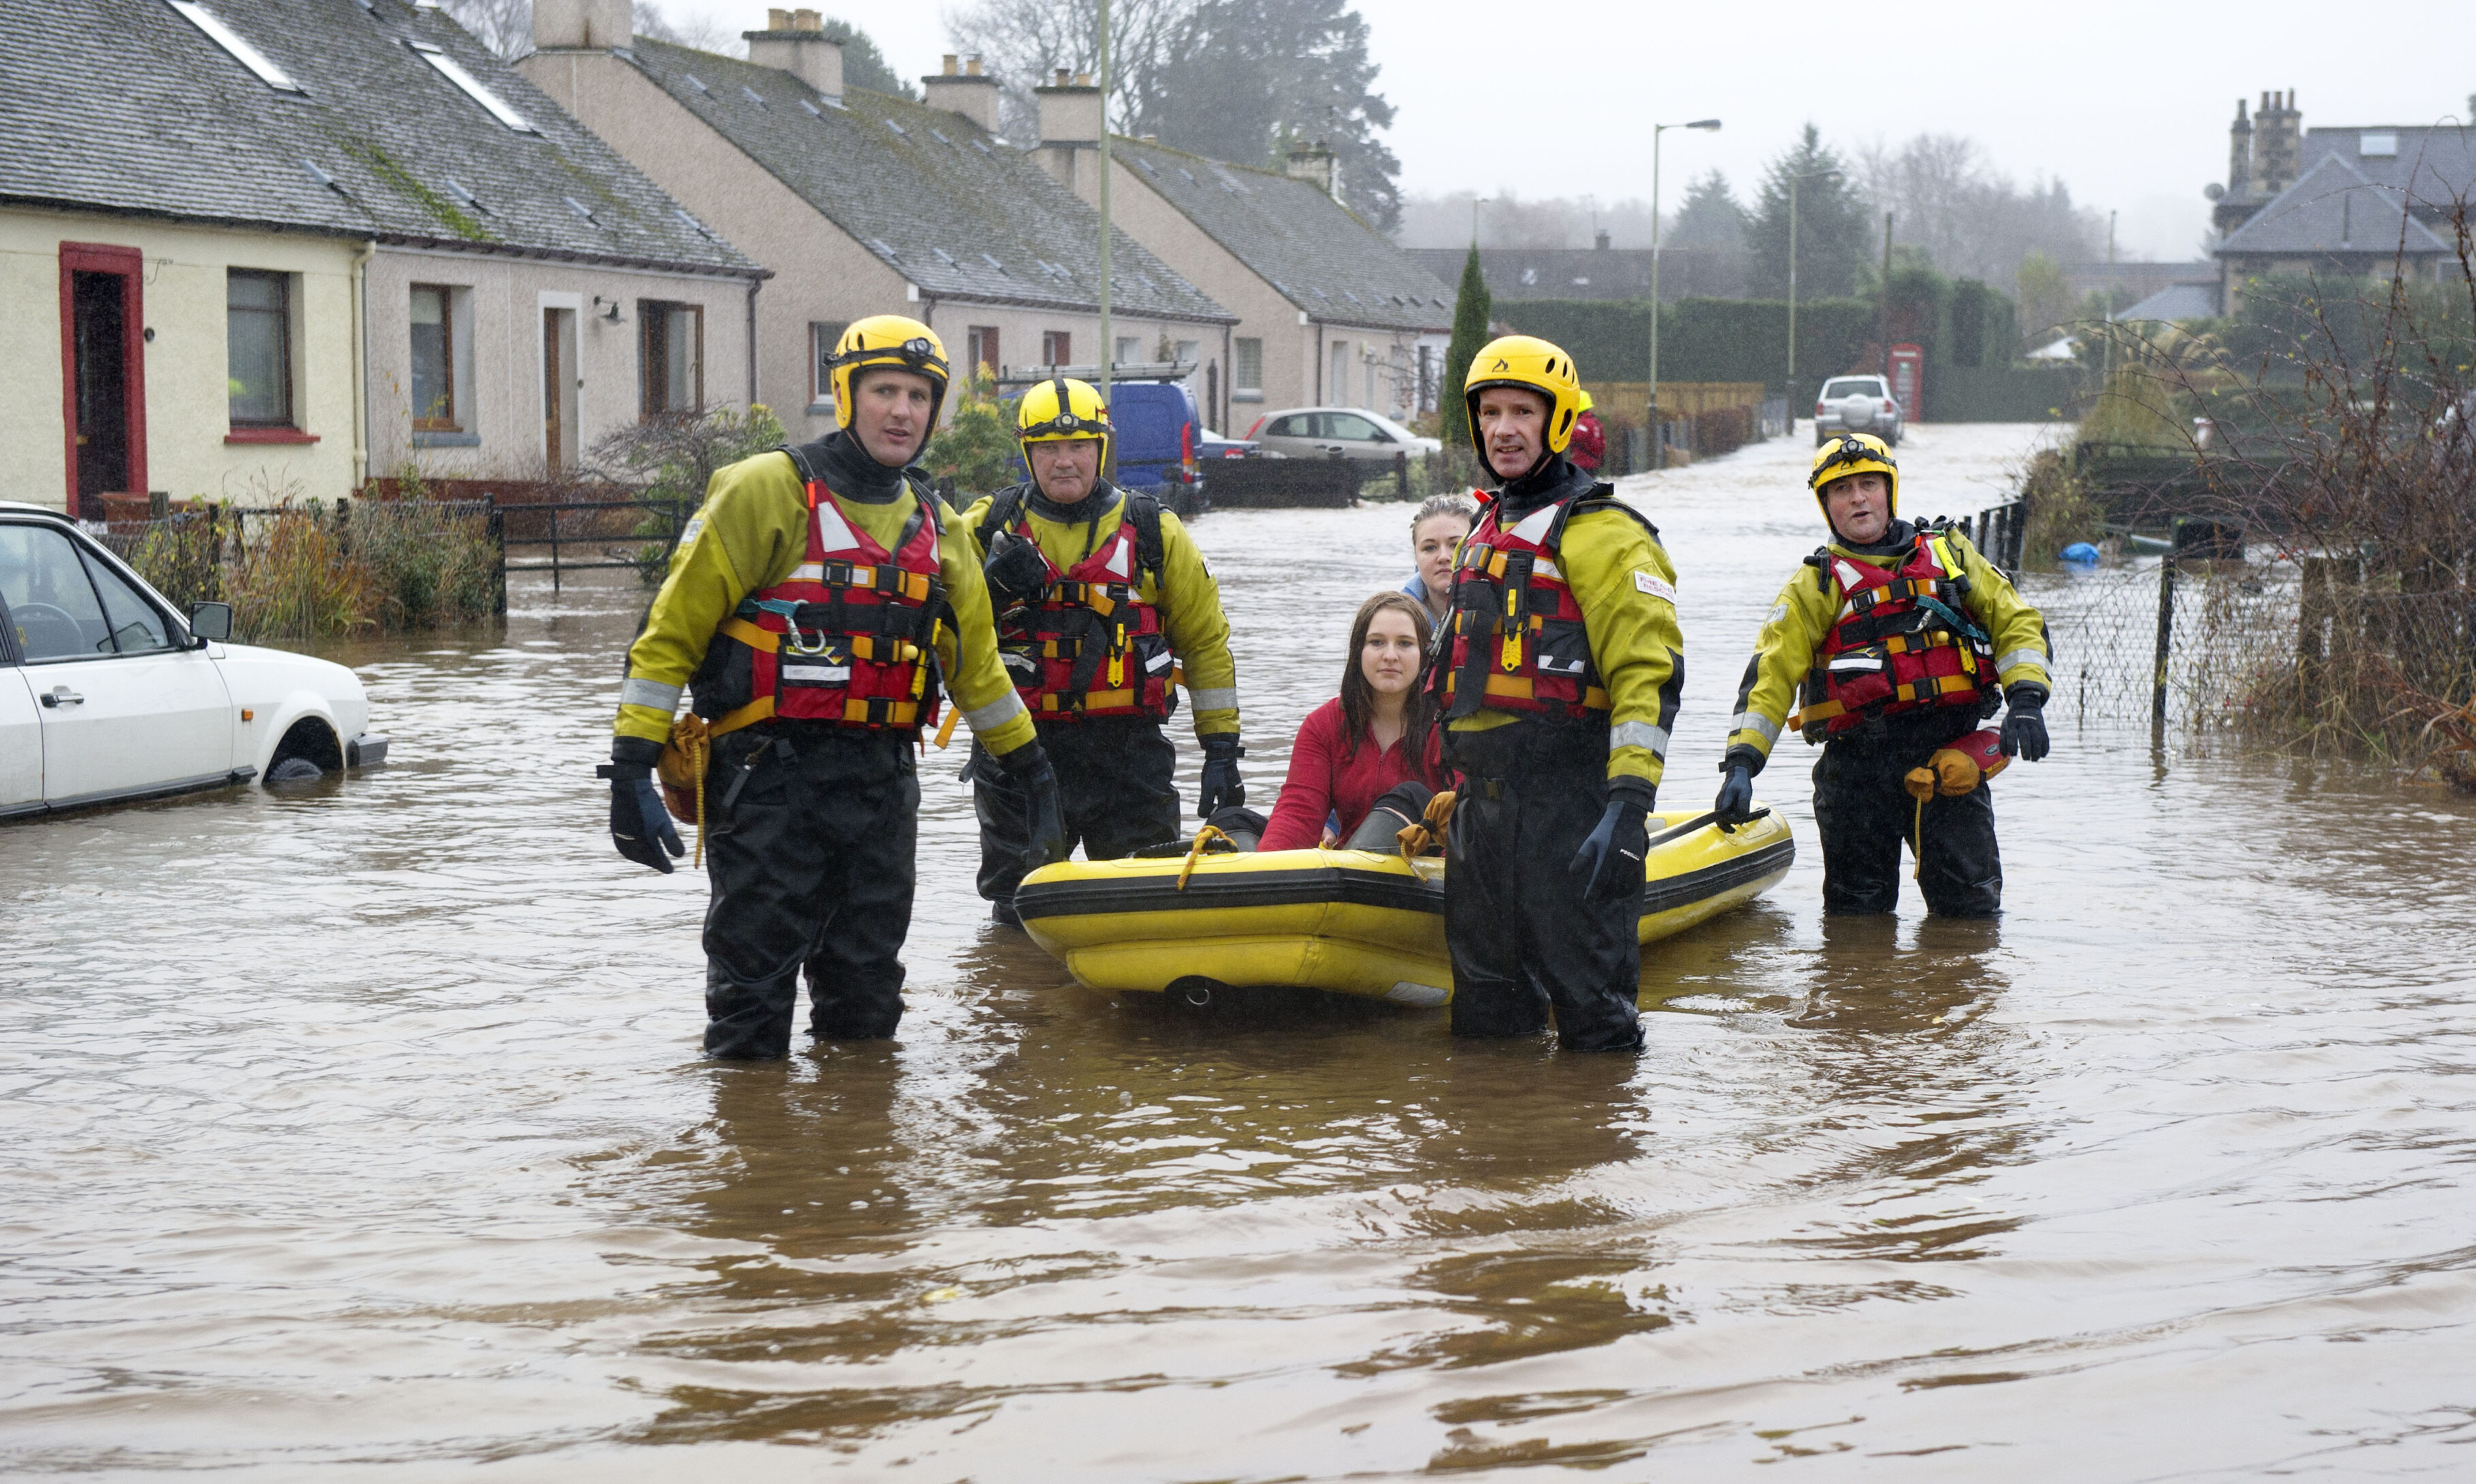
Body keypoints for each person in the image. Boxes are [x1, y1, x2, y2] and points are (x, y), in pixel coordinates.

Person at [601, 316, 1067, 1059]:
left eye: (918, 396)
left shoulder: (938, 528)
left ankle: (853, 1159)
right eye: (884, 390)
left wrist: (1031, 772)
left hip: (882, 787)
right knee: (750, 1005)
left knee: (867, 1006)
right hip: (765, 783)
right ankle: (757, 1157)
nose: (902, 412)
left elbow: (977, 675)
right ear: (845, 396)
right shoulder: (765, 491)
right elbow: (669, 638)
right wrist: (629, 770)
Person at [1428, 335, 1684, 1053]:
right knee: (1483, 1025)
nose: (1501, 429)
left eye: (1520, 412)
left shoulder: (1607, 535)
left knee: (1594, 1027)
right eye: (1488, 413)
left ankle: (1596, 1157)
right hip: (1482, 818)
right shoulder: (1485, 528)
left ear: (1559, 421)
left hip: (1572, 814)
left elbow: (1649, 677)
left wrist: (1627, 809)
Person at [1713, 432, 2052, 915]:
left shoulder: (1950, 555)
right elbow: (1770, 675)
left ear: (1889, 490)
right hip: (1856, 773)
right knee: (1855, 933)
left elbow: (2016, 619)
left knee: (1971, 924)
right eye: (1841, 490)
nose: (1857, 499)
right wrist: (1742, 764)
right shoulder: (1816, 584)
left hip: (1948, 762)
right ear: (1825, 504)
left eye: (1868, 484)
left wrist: (2026, 700)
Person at [966, 376, 1244, 925]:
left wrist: (1221, 752)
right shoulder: (985, 528)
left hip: (1128, 757)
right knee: (1018, 922)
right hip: (1019, 756)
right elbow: (937, 631)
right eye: (1048, 447)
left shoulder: (1154, 532)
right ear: (1027, 451)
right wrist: (989, 588)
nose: (1064, 461)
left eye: (1078, 446)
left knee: (1143, 912)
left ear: (1101, 448)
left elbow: (1207, 647)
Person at [1259, 591, 1454, 851]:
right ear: (1358, 651)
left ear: (1425, 655)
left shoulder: (1450, 725)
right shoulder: (1323, 724)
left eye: (1405, 643)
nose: (1390, 655)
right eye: (1376, 642)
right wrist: (1269, 869)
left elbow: (1466, 819)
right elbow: (1299, 812)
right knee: (1233, 820)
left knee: (1410, 796)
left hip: (1424, 873)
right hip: (1348, 872)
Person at [1399, 493, 1476, 628]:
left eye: (1456, 545)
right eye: (1430, 548)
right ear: (1415, 556)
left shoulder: (1509, 609)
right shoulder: (1395, 619)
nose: (1443, 557)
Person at [1567, 390, 1606, 474]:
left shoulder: (1584, 423)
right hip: (1592, 464)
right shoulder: (1595, 421)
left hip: (1583, 465)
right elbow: (1603, 442)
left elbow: (1570, 438)